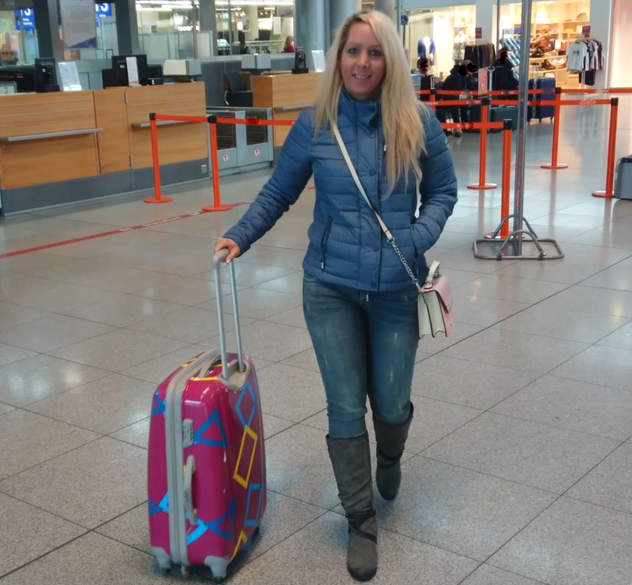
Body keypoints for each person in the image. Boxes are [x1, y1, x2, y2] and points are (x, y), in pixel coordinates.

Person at [214, 10, 457, 582]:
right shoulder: (315, 124)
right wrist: (240, 236)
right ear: (338, 58)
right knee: (345, 405)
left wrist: (417, 237)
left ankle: (390, 456)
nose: (362, 63)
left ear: (389, 60)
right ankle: (360, 521)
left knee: (391, 403)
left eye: (374, 52)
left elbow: (443, 191)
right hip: (329, 287)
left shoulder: (417, 120)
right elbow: (279, 192)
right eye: (353, 51)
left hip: (395, 288)